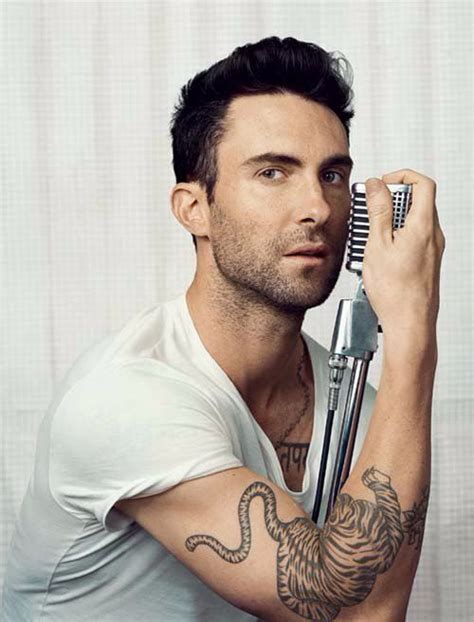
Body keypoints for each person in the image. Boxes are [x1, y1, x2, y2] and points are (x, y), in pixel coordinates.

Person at [1, 36, 444, 621]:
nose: (316, 206)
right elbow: (355, 613)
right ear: (194, 208)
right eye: (273, 172)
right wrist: (412, 332)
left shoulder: (364, 408)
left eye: (333, 175)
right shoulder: (126, 398)